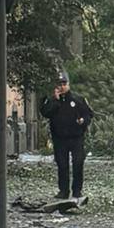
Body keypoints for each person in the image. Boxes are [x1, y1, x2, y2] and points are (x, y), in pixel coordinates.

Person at [39, 71, 94, 201]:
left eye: (64, 84)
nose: (62, 87)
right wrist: (56, 101)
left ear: (68, 84)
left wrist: (83, 121)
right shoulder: (52, 101)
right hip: (60, 138)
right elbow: (45, 113)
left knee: (78, 163)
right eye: (60, 84)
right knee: (62, 165)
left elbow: (88, 114)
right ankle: (63, 191)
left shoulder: (78, 99)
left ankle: (77, 191)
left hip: (76, 137)